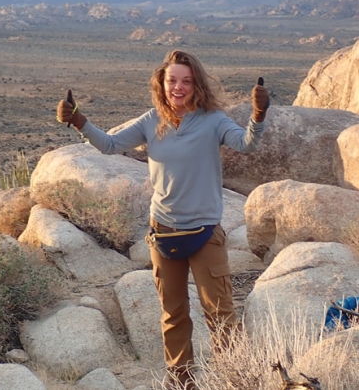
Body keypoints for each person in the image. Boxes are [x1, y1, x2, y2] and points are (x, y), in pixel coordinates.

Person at [56, 50, 269, 389]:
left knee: (221, 313)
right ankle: (181, 381)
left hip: (205, 232)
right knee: (174, 314)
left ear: (196, 84)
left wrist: (258, 113)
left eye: (186, 81)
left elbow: (247, 144)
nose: (178, 88)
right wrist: (79, 121)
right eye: (172, 81)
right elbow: (111, 145)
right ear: (162, 83)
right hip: (164, 232)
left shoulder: (213, 120)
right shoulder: (151, 120)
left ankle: (236, 378)